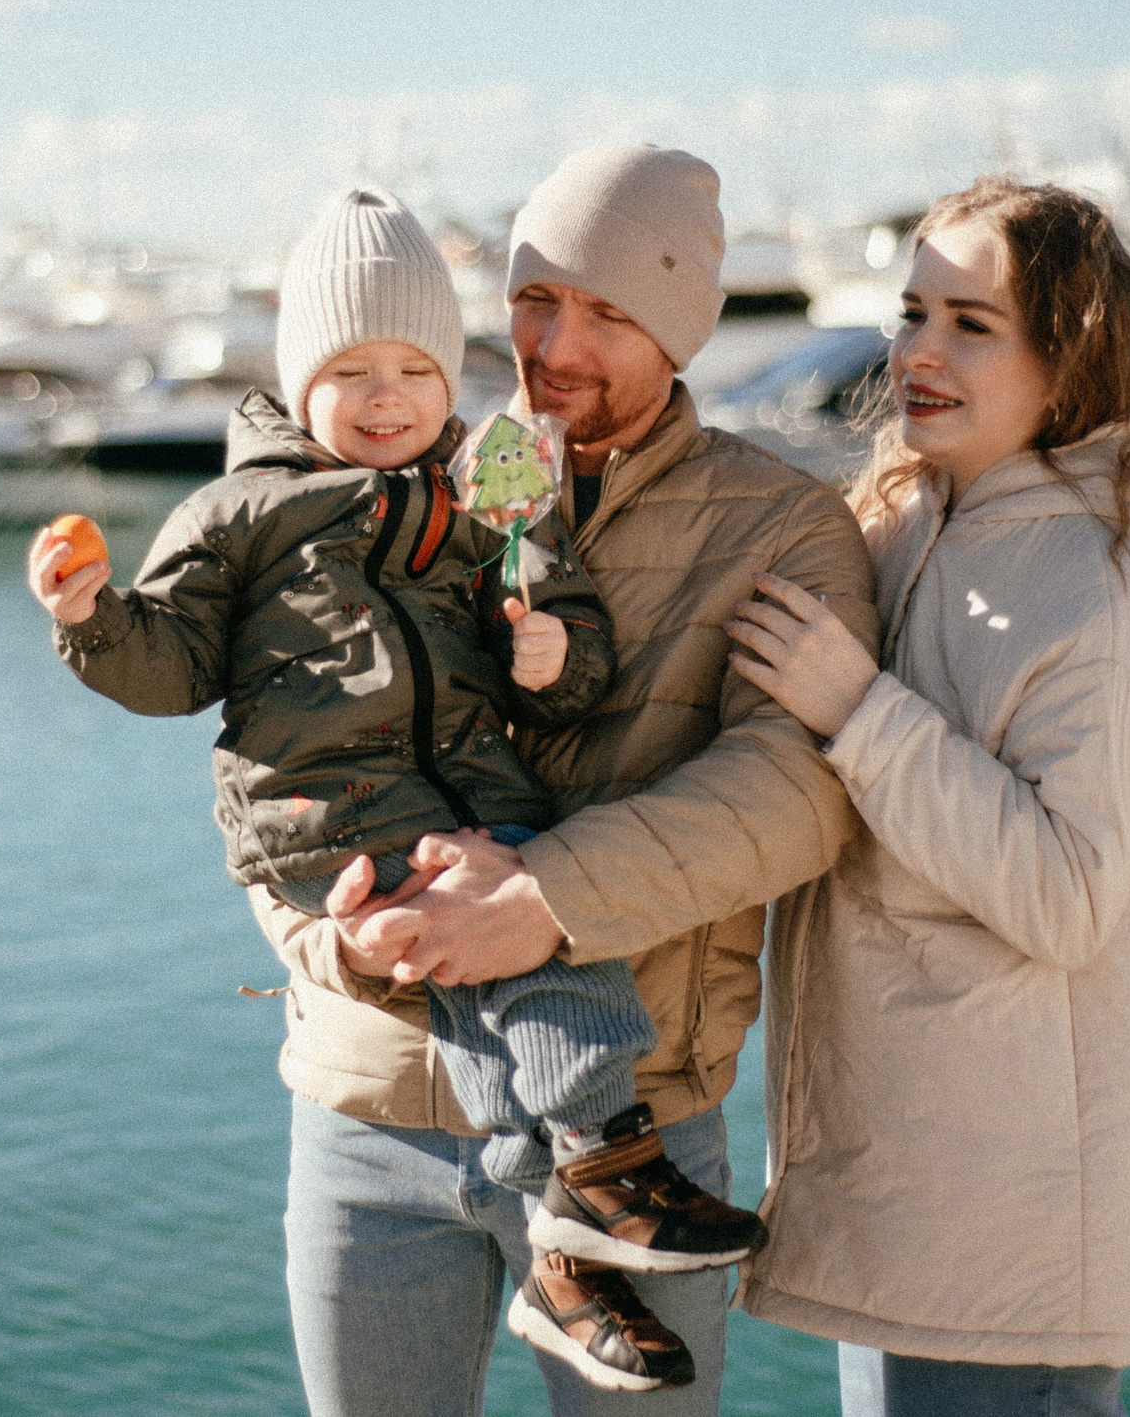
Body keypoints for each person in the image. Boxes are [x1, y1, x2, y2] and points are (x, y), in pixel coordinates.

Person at [30, 185, 767, 1395]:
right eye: (353, 369)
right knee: (528, 953)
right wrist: (89, 619)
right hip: (325, 820)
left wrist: (553, 651)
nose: (388, 398)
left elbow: (558, 613)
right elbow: (170, 665)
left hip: (466, 802)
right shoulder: (242, 515)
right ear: (297, 380)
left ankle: (570, 1228)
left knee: (518, 929)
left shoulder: (478, 494)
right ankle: (604, 1154)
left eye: (418, 369)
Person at [252, 145, 880, 1417]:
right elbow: (273, 754)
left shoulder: (782, 524)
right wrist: (323, 943)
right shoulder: (397, 467)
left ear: (685, 329)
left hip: (631, 1134)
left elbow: (795, 790)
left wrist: (537, 895)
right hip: (373, 1105)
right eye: (536, 298)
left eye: (609, 312)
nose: (556, 343)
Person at [720, 177, 1130, 1417]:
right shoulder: (903, 512)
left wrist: (858, 706)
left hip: (1014, 1222)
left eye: (971, 323)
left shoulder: (1099, 586)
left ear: (1069, 355)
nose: (918, 351)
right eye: (912, 311)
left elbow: (1066, 895)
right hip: (916, 1183)